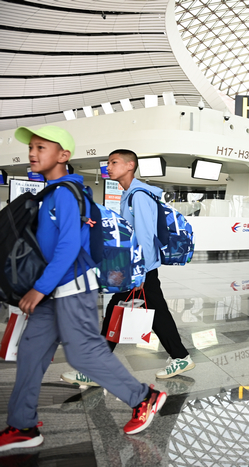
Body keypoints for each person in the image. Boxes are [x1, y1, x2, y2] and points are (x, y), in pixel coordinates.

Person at [1, 126, 166, 452]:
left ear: (63, 155)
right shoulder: (52, 193)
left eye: (41, 147)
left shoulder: (66, 193)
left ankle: (143, 397)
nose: (33, 153)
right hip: (53, 291)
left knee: (83, 353)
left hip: (72, 288)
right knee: (31, 352)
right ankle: (23, 425)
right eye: (32, 147)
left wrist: (38, 288)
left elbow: (68, 246)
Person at [62, 149, 195, 386]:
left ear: (130, 165)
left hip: (140, 268)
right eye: (108, 162)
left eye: (114, 162)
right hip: (140, 267)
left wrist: (139, 273)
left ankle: (96, 370)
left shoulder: (138, 196)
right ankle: (180, 356)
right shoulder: (131, 194)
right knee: (154, 313)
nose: (109, 167)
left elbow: (145, 237)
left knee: (119, 311)